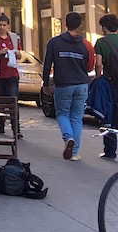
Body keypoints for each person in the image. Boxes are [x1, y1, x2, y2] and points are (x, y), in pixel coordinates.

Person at [43, 12, 92, 161]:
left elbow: (47, 64)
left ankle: (68, 137)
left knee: (63, 114)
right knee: (77, 118)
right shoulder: (86, 44)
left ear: (65, 24)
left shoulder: (54, 42)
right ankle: (74, 152)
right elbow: (89, 67)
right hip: (81, 84)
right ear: (80, 26)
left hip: (63, 84)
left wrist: (46, 84)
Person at [95, 14, 118, 161]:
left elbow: (98, 64)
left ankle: (110, 151)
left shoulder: (101, 42)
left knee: (110, 117)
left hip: (110, 84)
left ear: (104, 27)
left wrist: (98, 78)